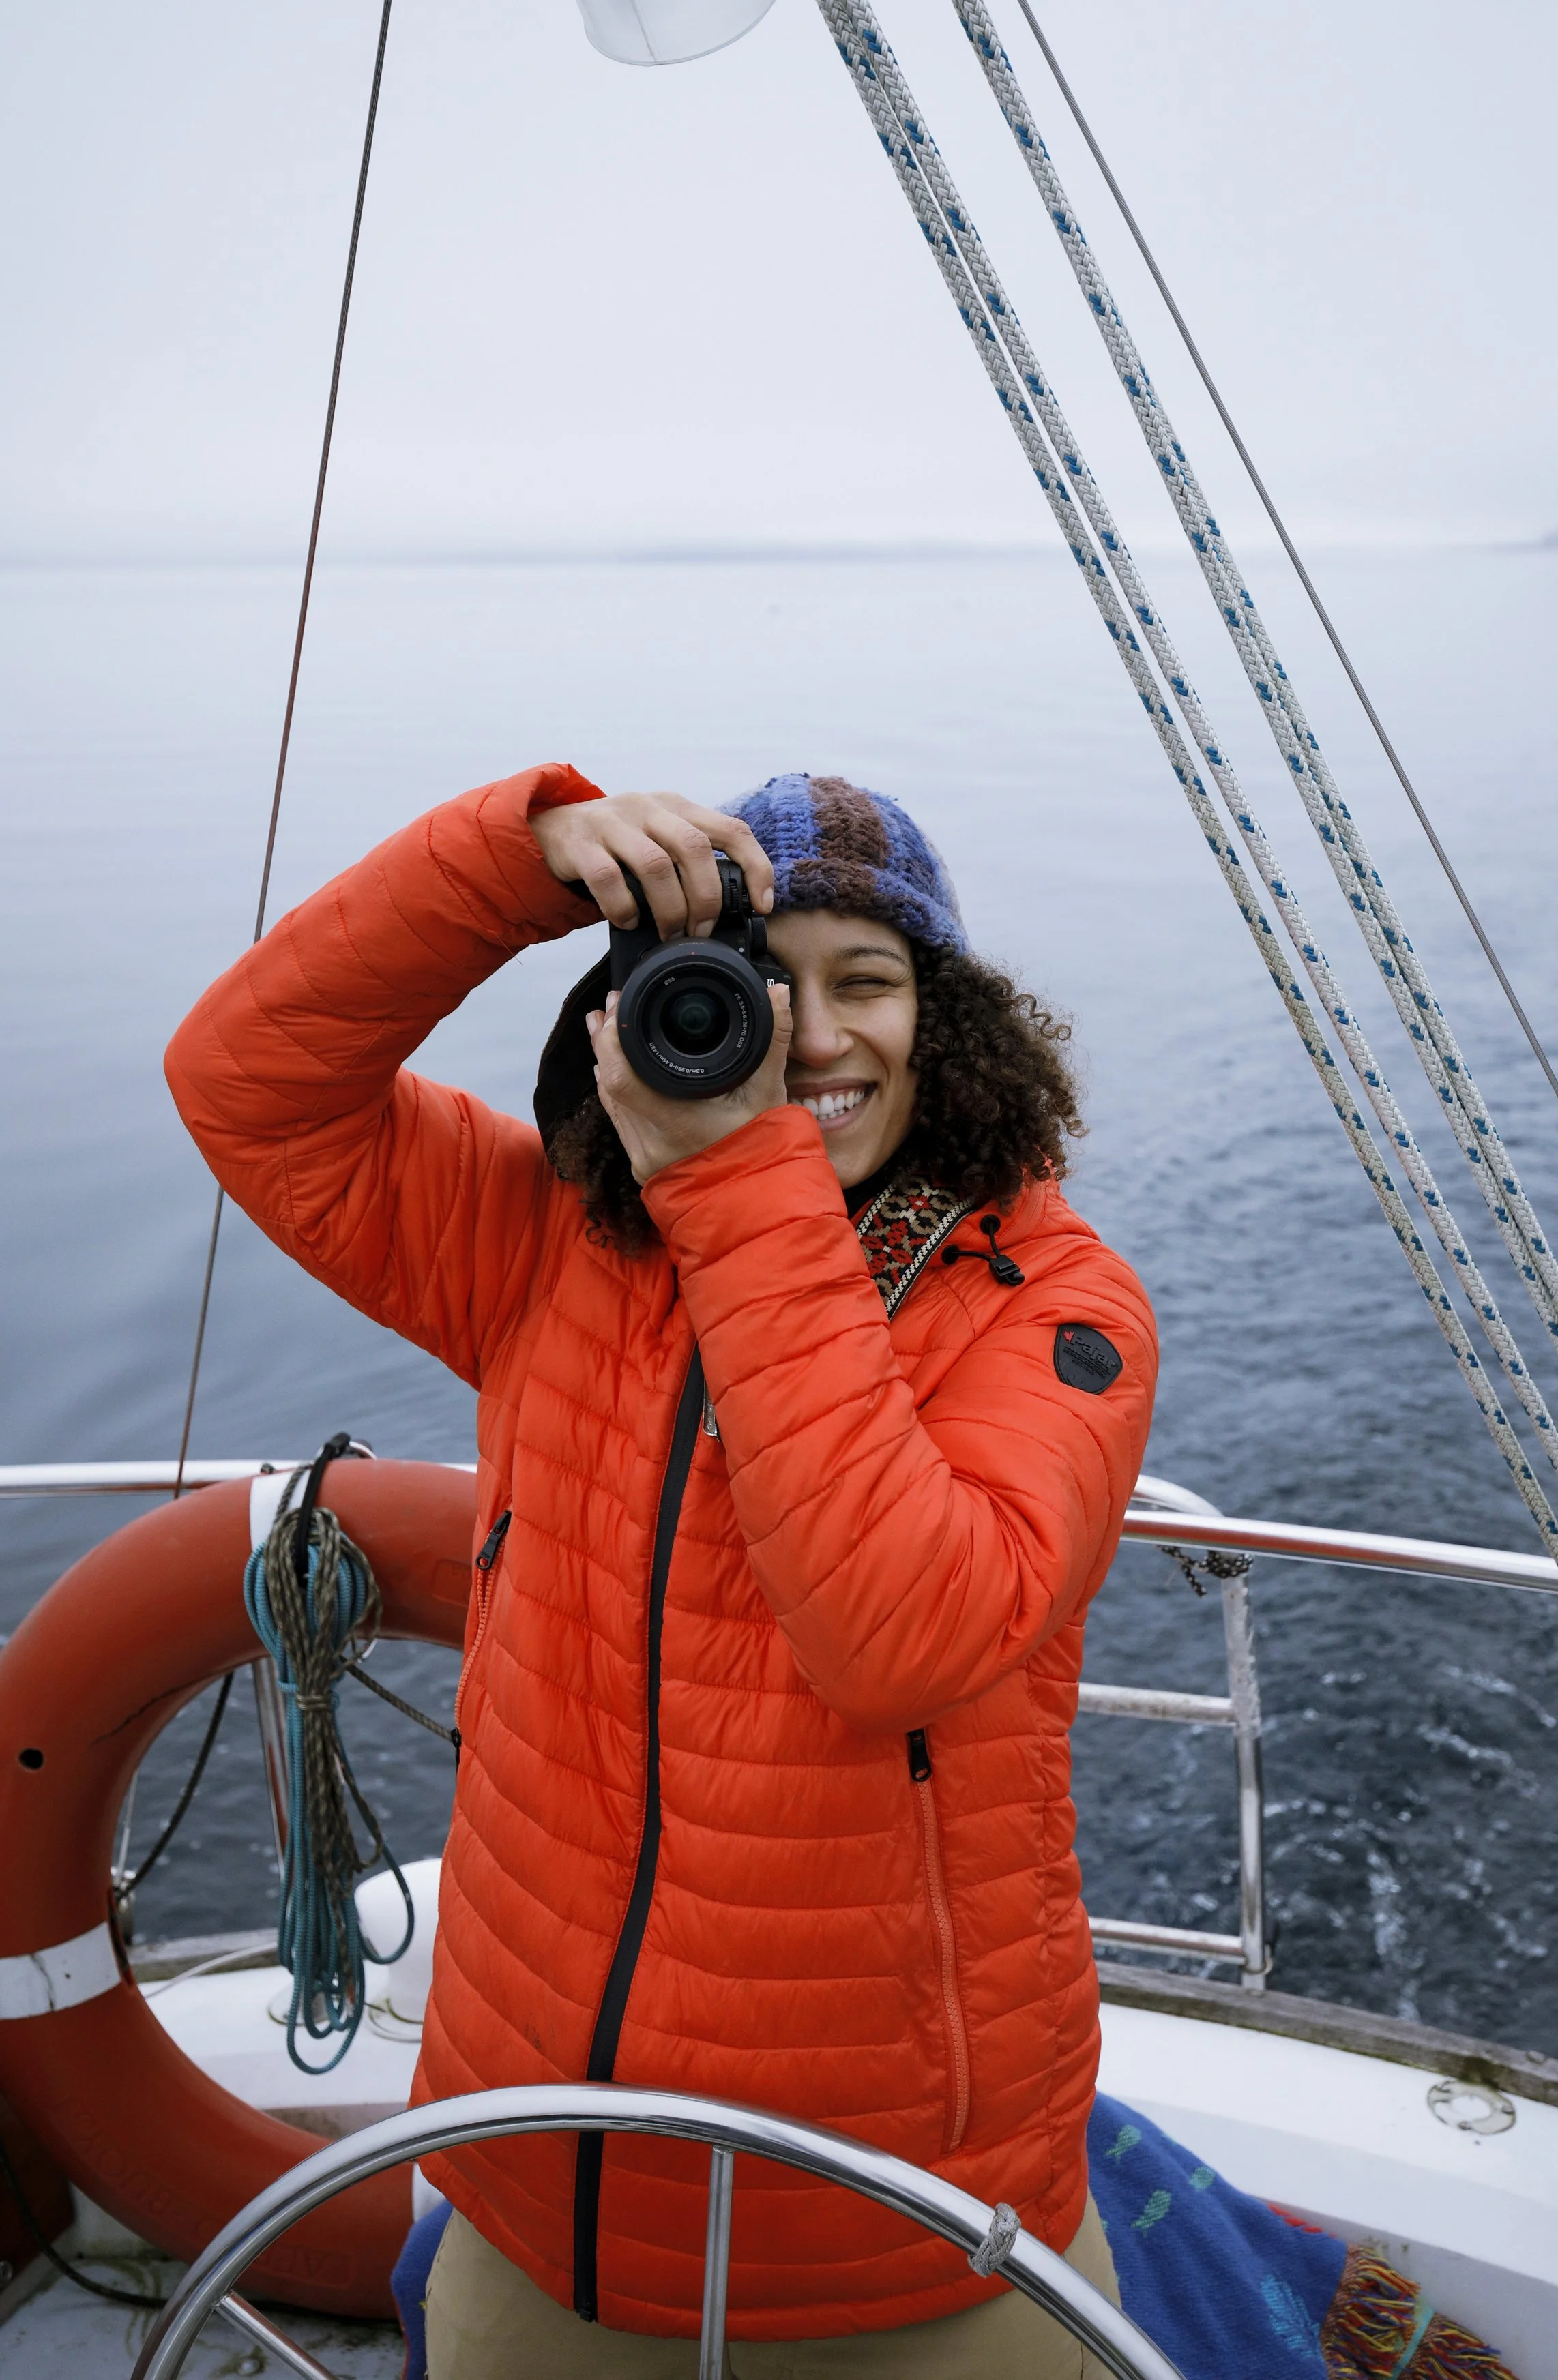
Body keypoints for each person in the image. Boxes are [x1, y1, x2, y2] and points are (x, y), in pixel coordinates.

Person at [166, 761, 1158, 2377]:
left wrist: (727, 1176)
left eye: (870, 982)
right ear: (629, 1009)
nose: (814, 1039)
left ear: (951, 1021)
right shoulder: (547, 1242)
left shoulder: (1051, 1302)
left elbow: (898, 1634)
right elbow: (245, 1083)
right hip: (534, 2181)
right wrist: (513, 861)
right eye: (760, 983)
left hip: (900, 2229)